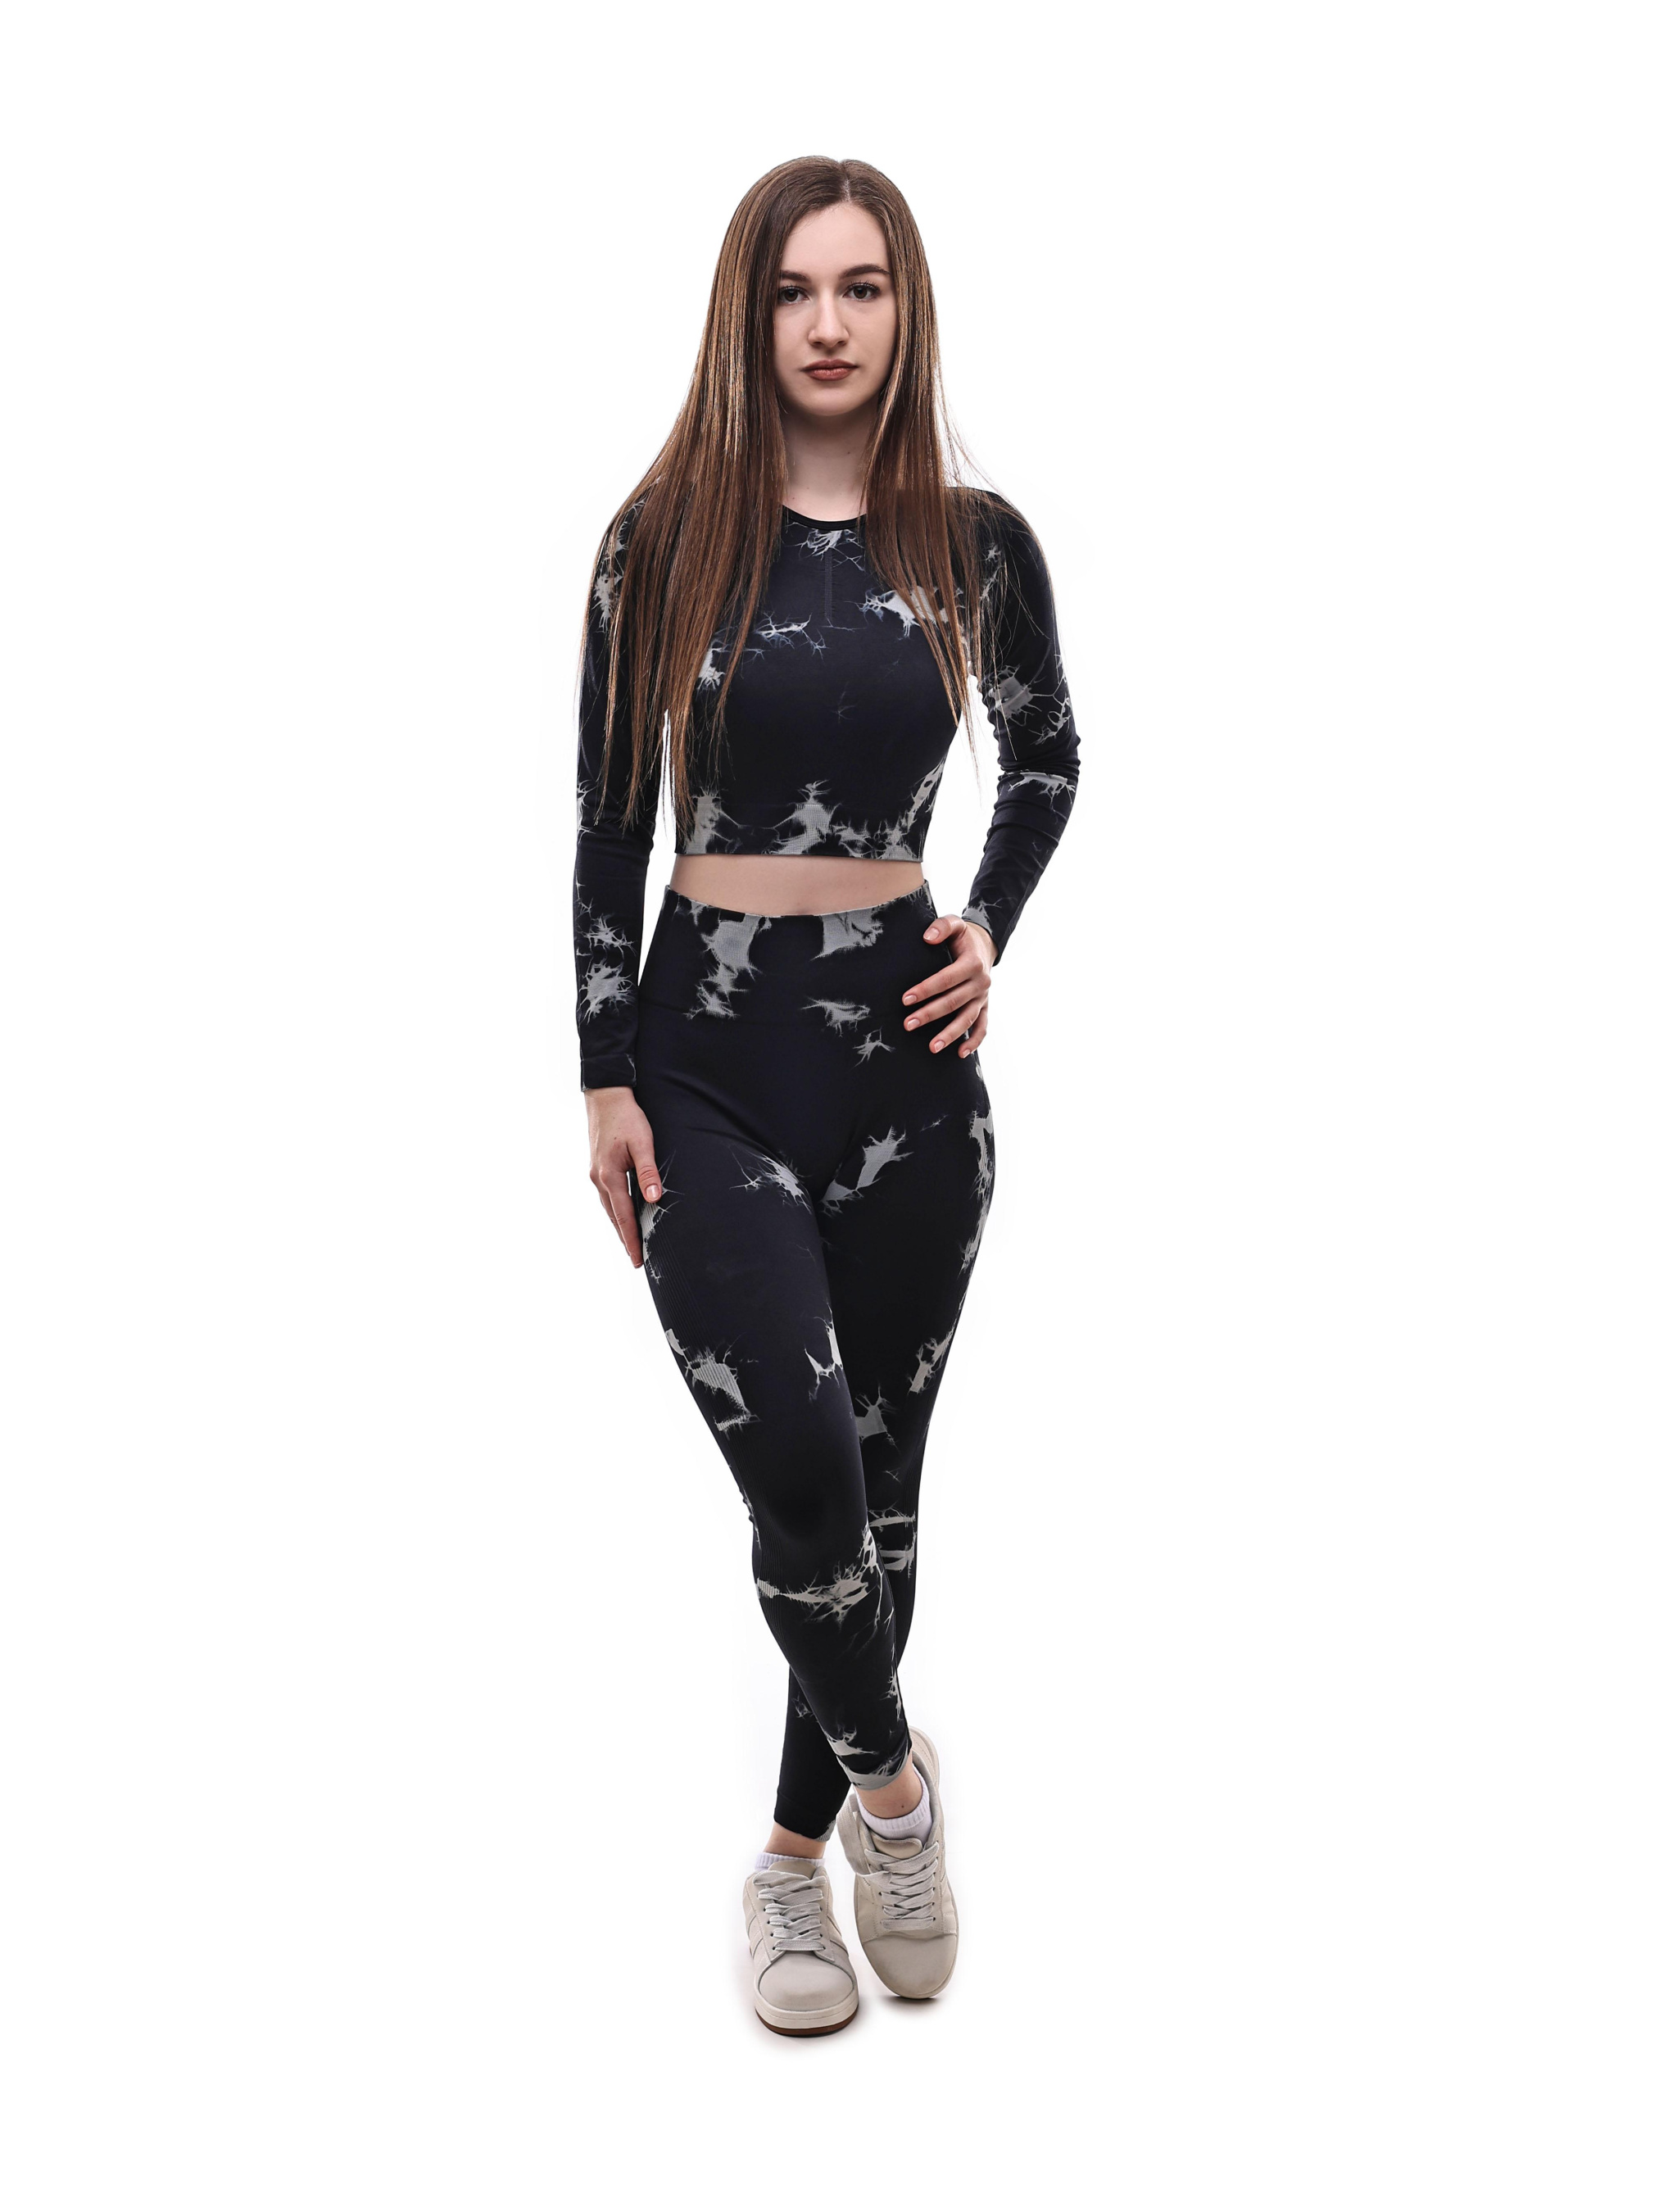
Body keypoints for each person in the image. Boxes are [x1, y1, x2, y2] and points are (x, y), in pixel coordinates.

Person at [573, 156, 1080, 2035]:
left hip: (903, 1069)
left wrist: (988, 928)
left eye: (861, 287)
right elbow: (605, 828)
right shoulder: (659, 541)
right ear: (748, 310)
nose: (828, 323)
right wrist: (601, 1076)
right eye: (794, 289)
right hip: (704, 1065)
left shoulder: (974, 542)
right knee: (792, 1465)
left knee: (873, 1489)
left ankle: (792, 1866)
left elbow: (1045, 755)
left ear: (902, 307)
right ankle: (897, 1793)